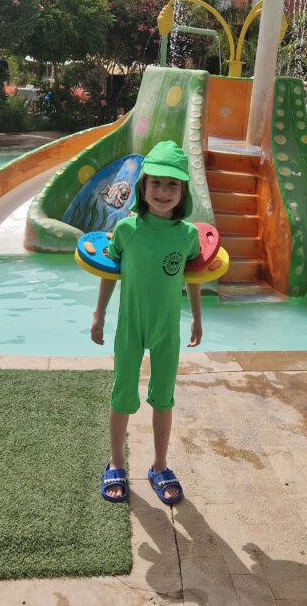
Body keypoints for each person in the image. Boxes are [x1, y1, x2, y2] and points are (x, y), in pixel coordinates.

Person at [91, 141, 202, 506]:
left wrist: (197, 319)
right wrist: (99, 314)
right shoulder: (127, 229)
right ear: (142, 187)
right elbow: (109, 272)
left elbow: (193, 277)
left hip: (166, 329)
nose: (163, 192)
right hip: (131, 326)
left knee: (163, 398)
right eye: (156, 183)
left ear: (183, 191)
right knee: (122, 395)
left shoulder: (187, 236)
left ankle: (159, 465)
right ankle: (117, 463)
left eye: (173, 185)